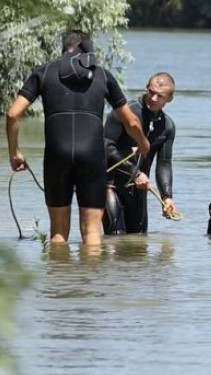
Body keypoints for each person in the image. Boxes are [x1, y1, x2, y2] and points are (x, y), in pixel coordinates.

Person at [6, 30, 150, 246]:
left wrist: (14, 152)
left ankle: (60, 280)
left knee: (58, 233)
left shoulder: (43, 73)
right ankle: (88, 280)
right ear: (89, 50)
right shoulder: (103, 75)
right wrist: (143, 143)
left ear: (64, 48)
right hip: (92, 155)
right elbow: (131, 123)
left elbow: (13, 114)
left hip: (57, 155)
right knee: (92, 232)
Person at [103, 71, 177, 234]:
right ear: (146, 88)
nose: (154, 98)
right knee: (116, 238)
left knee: (138, 241)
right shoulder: (124, 113)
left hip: (139, 189)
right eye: (151, 92)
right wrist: (135, 173)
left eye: (160, 96)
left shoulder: (167, 127)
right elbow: (106, 147)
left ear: (169, 99)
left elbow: (164, 164)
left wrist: (167, 196)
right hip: (110, 184)